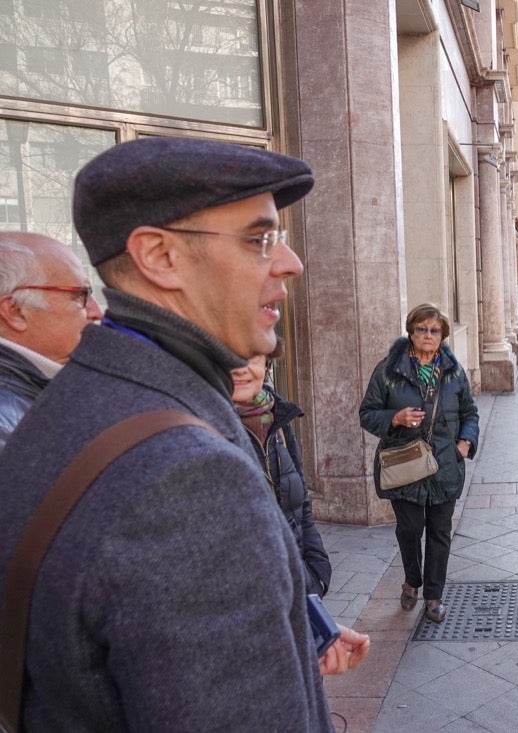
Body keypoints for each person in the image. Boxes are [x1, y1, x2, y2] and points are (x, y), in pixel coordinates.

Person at [0, 137, 367, 731]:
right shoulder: (187, 480)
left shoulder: (82, 399)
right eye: (259, 239)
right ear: (159, 257)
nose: (290, 263)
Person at [359, 303, 480, 622]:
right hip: (404, 466)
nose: (428, 335)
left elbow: (470, 412)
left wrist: (465, 443)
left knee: (440, 530)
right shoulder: (388, 371)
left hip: (445, 465)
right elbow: (367, 414)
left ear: (443, 335)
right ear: (410, 332)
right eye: (422, 329)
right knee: (410, 529)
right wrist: (394, 417)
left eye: (435, 330)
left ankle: (434, 595)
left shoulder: (454, 373)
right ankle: (412, 580)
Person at [232, 346, 332, 598]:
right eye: (230, 357)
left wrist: (316, 572)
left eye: (251, 358)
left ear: (266, 369)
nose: (241, 368)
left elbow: (302, 506)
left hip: (298, 580)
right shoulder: (205, 429)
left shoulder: (278, 419)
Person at [0, 232, 103, 449]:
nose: (96, 312)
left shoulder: (33, 388)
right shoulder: (8, 424)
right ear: (16, 311)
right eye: (80, 295)